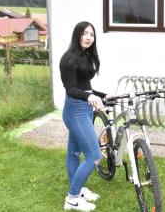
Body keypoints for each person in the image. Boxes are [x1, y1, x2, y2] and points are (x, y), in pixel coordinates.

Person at [60, 21, 111, 211]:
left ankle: (78, 190)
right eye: (85, 33)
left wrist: (103, 95)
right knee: (94, 156)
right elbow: (71, 89)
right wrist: (90, 97)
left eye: (92, 34)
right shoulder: (69, 58)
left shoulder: (84, 56)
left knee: (74, 153)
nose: (89, 37)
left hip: (84, 109)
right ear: (77, 35)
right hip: (75, 111)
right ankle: (72, 198)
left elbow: (84, 86)